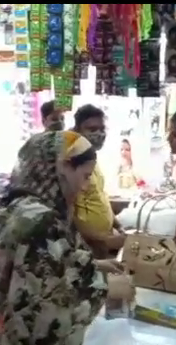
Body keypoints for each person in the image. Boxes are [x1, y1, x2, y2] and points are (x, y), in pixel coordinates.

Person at [0, 131, 135, 345]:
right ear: (63, 168)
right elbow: (48, 308)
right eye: (85, 176)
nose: (85, 187)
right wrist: (106, 289)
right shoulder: (40, 220)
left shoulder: (18, 207)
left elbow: (52, 261)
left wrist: (96, 265)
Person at [72, 104, 125, 258]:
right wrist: (104, 240)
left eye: (102, 129)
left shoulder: (92, 160)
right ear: (77, 131)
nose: (99, 134)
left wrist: (118, 226)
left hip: (103, 244)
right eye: (92, 129)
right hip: (87, 247)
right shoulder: (72, 165)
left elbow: (99, 197)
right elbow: (71, 215)